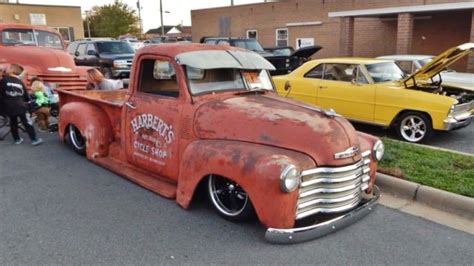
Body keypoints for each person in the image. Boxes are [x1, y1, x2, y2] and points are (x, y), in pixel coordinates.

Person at [0, 64, 43, 145]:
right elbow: (26, 96)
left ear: (12, 71)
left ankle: (17, 139)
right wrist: (30, 107)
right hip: (21, 106)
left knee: (13, 123)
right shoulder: (20, 82)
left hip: (8, 106)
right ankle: (34, 139)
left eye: (8, 68)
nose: (6, 68)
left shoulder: (4, 80)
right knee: (27, 122)